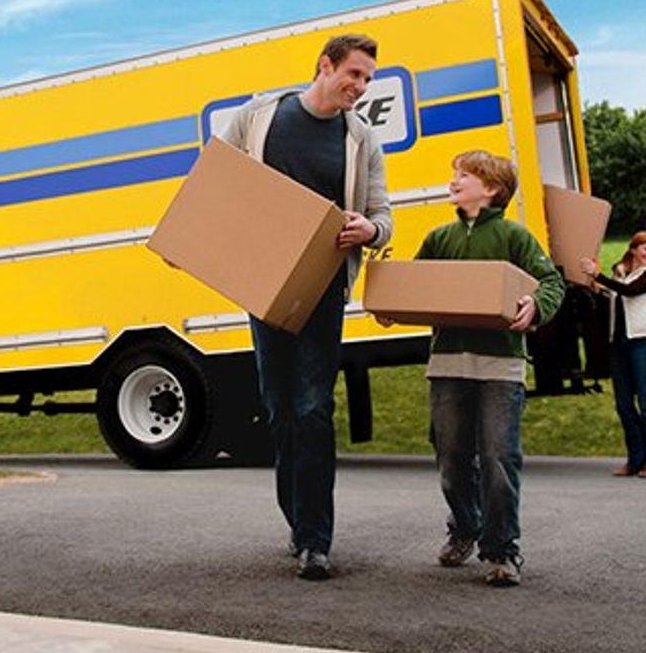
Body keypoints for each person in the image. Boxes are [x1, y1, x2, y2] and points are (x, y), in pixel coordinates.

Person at [219, 34, 393, 580]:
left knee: (315, 407)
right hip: (265, 283)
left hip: (323, 289)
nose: (361, 88)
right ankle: (297, 521)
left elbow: (381, 215)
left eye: (367, 80)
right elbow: (216, 182)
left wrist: (370, 229)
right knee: (279, 407)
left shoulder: (360, 138)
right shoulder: (260, 116)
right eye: (355, 75)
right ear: (325, 66)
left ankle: (317, 540)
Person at [381, 150, 563, 587]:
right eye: (454, 173)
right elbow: (413, 286)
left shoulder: (514, 238)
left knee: (499, 458)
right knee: (452, 459)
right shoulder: (439, 238)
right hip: (447, 365)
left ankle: (501, 550)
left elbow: (552, 281)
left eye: (464, 175)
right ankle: (465, 526)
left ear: (492, 188)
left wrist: (536, 305)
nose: (454, 181)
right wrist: (390, 305)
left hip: (501, 367)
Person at [578, 232, 646, 478]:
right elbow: (613, 296)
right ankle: (635, 459)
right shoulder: (620, 274)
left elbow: (629, 291)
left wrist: (600, 276)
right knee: (624, 405)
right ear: (634, 249)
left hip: (645, 343)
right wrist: (595, 281)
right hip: (619, 344)